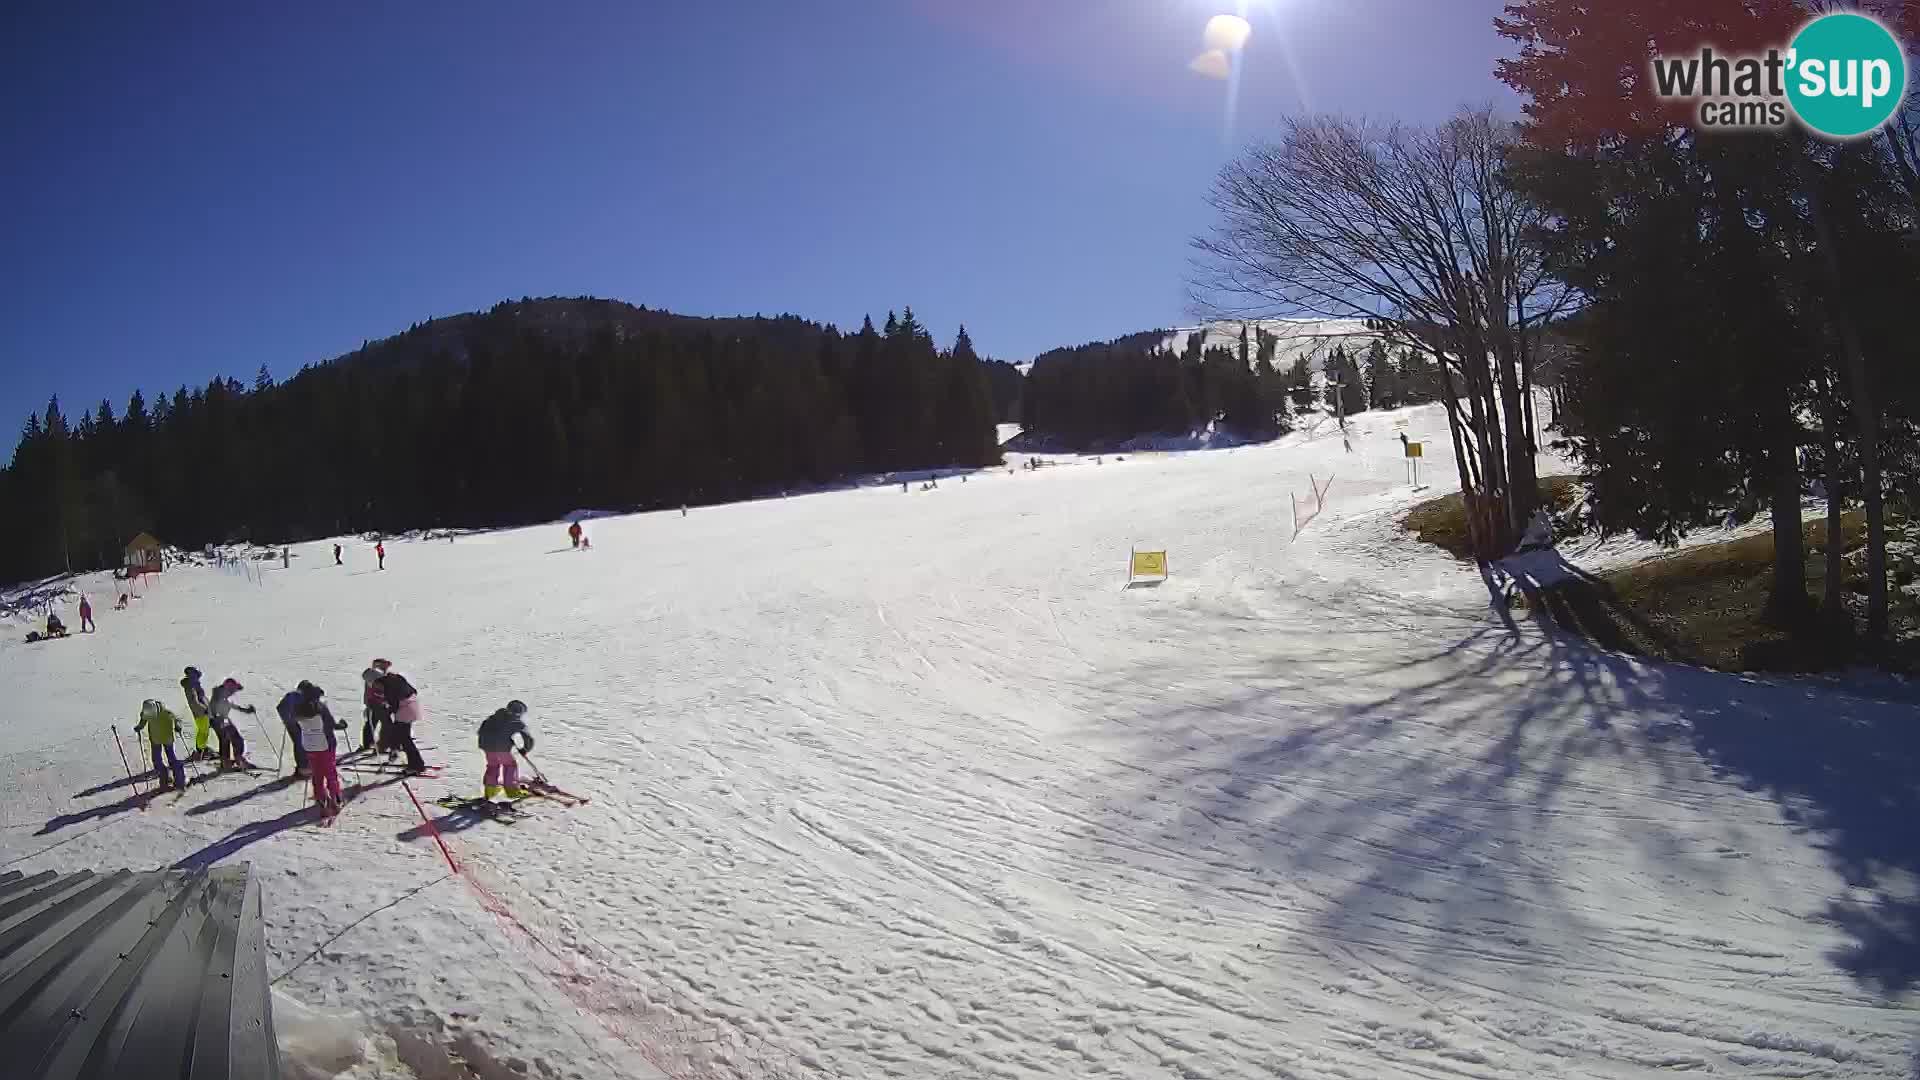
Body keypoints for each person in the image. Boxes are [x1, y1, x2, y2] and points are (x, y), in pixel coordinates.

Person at [291, 685, 347, 816]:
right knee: (330, 772)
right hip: (325, 744)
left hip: (309, 745)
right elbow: (332, 725)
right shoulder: (320, 708)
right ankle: (335, 800)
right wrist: (342, 725)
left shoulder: (297, 709)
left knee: (317, 773)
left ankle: (322, 802)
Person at [373, 660, 426, 772]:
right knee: (399, 733)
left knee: (405, 739)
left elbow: (393, 706)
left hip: (406, 710)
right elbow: (412, 691)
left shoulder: (389, 687)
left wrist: (386, 708)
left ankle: (416, 765)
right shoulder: (395, 679)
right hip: (411, 706)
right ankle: (395, 751)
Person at [477, 699, 533, 800]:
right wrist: (525, 749)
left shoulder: (493, 718)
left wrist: (484, 745)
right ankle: (511, 791)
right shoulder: (516, 722)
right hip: (502, 749)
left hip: (488, 748)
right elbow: (528, 739)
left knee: (493, 766)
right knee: (510, 765)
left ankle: (490, 791)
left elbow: (481, 731)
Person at [133, 699, 188, 791]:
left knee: (172, 759)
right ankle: (165, 780)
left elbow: (177, 719)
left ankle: (180, 781)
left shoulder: (166, 713)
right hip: (155, 739)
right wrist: (139, 727)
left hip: (167, 738)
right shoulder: (146, 712)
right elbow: (143, 721)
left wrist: (178, 726)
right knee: (157, 760)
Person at [208, 677, 258, 770]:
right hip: (219, 721)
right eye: (233, 690)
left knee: (226, 741)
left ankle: (227, 762)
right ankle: (236, 761)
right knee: (232, 740)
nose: (234, 692)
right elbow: (214, 709)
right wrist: (218, 719)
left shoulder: (222, 694)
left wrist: (246, 710)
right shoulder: (219, 696)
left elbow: (232, 706)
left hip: (221, 720)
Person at [276, 685, 313, 778]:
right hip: (291, 721)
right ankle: (303, 768)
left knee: (299, 742)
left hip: (289, 721)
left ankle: (303, 766)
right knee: (300, 742)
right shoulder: (297, 696)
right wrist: (292, 718)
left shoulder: (294, 695)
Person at [181, 666, 213, 761]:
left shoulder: (194, 685)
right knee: (203, 732)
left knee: (204, 731)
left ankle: (202, 749)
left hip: (203, 711)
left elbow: (202, 698)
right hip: (200, 713)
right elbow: (194, 702)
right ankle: (200, 751)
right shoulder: (190, 687)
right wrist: (204, 710)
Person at [360, 664, 389, 753]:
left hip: (382, 705)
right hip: (374, 704)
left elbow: (387, 693)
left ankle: (382, 745)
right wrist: (367, 704)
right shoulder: (370, 679)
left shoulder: (382, 680)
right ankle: (368, 743)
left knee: (385, 725)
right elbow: (368, 693)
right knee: (371, 724)